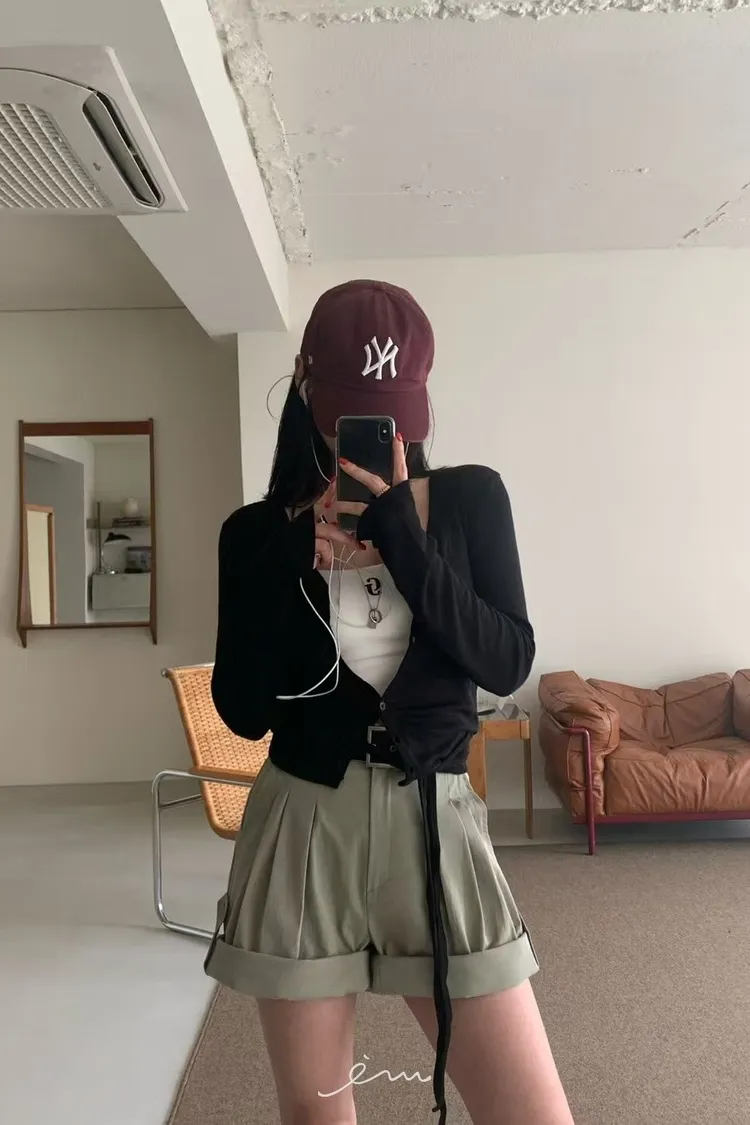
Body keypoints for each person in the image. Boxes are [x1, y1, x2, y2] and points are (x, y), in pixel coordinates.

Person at [205, 280, 573, 1125]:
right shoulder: (254, 535)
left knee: (533, 1114)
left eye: (394, 416)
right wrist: (290, 560)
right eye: (352, 413)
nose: (379, 435)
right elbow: (242, 710)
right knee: (317, 1115)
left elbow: (506, 659)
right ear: (306, 391)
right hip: (303, 826)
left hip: (436, 819)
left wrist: (404, 539)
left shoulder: (473, 499)